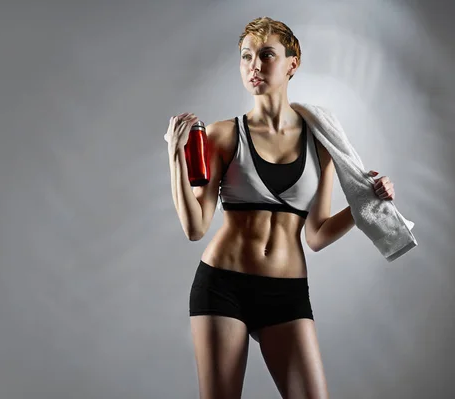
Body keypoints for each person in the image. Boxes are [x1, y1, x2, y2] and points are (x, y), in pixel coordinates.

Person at [164, 16, 396, 399]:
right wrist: (175, 157)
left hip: (287, 293)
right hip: (223, 286)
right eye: (246, 56)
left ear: (293, 63)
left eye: (266, 55)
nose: (254, 65)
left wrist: (364, 204)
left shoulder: (320, 141)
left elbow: (317, 235)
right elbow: (195, 227)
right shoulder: (224, 134)